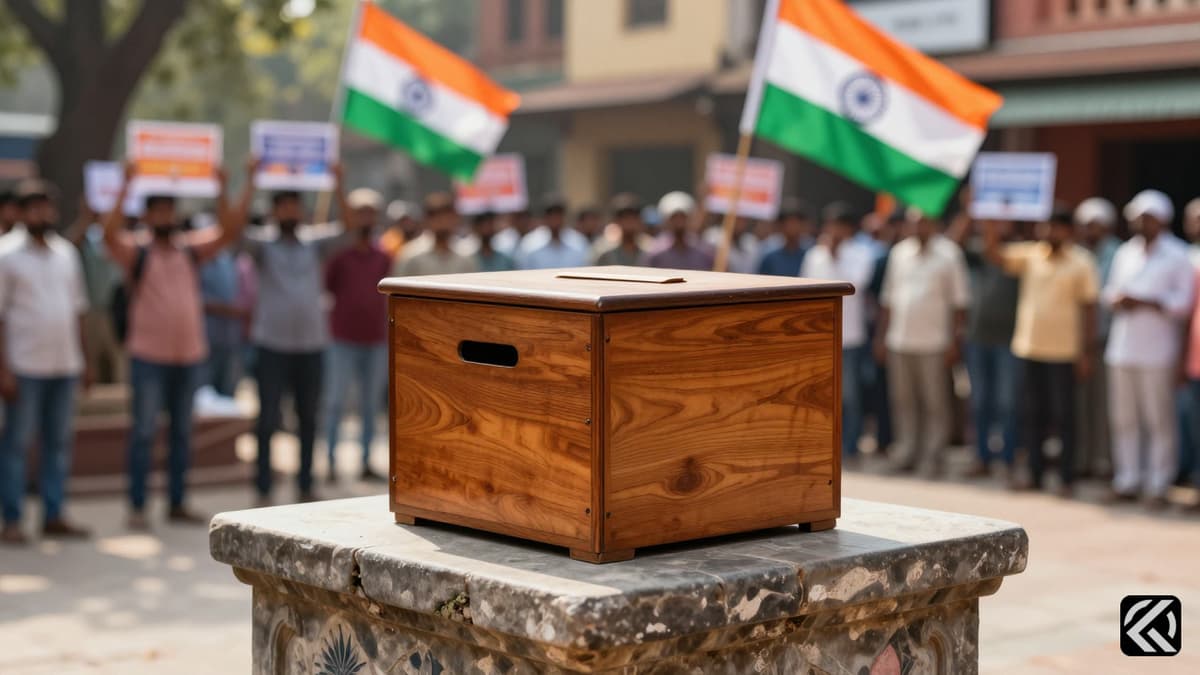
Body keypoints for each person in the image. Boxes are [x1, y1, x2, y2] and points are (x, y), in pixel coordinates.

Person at [104, 164, 245, 529]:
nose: (165, 216)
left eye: (170, 209)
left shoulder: (191, 251)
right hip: (148, 357)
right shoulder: (137, 253)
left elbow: (230, 230)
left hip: (188, 356)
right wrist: (126, 185)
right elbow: (107, 233)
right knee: (144, 434)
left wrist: (222, 188)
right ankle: (138, 507)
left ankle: (177, 502)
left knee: (182, 433)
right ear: (148, 216)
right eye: (158, 210)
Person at [233, 170, 352, 502]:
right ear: (274, 211)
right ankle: (263, 485)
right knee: (268, 418)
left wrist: (338, 183)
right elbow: (233, 232)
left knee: (308, 417)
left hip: (310, 344)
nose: (289, 212)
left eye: (294, 206)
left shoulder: (314, 243)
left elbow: (350, 229)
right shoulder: (262, 245)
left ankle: (304, 483)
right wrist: (248, 183)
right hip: (271, 344)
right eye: (283, 207)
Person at [0, 180, 91, 544]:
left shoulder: (66, 253)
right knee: (17, 444)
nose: (43, 213)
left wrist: (84, 359)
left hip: (64, 364)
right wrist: (3, 368)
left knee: (57, 444)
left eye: (47, 206)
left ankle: (54, 514)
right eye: (34, 207)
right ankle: (13, 519)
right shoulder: (6, 255)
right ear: (21, 213)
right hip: (24, 366)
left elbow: (78, 309)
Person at [982, 208, 1098, 495]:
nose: (1049, 233)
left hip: (1064, 352)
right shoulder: (1032, 254)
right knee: (1031, 414)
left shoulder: (1082, 262)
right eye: (1046, 227)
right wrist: (990, 222)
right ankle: (1034, 474)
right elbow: (995, 255)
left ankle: (1066, 477)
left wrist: (1086, 352)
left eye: (1056, 228)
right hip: (1029, 347)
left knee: (1064, 416)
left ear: (1068, 231)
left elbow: (1090, 310)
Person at [1103, 190, 1195, 508]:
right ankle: (1127, 479)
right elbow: (1110, 291)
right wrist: (1117, 299)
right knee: (1124, 418)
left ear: (1162, 220)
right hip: (1122, 348)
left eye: (1146, 217)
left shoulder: (1178, 255)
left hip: (1158, 350)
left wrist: (1145, 302)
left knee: (1158, 420)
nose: (1140, 223)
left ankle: (1158, 484)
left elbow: (1183, 304)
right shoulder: (1125, 252)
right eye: (1137, 217)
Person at [874, 208, 969, 476]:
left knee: (934, 403)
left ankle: (933, 456)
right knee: (903, 400)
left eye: (923, 223)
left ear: (934, 224)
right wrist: (881, 337)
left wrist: (954, 342)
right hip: (900, 339)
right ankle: (906, 451)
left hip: (935, 342)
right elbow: (888, 299)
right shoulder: (899, 253)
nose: (917, 228)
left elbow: (959, 304)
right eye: (913, 223)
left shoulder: (950, 254)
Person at [324, 186, 391, 483]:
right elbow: (326, 288)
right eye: (360, 213)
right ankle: (329, 461)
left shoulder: (383, 256)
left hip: (375, 339)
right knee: (336, 401)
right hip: (342, 339)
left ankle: (366, 460)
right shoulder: (338, 256)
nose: (366, 219)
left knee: (369, 404)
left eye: (370, 213)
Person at [800, 203, 875, 463]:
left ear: (848, 228)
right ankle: (823, 445)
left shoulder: (861, 253)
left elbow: (855, 285)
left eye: (839, 226)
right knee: (821, 396)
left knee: (850, 396)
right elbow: (805, 290)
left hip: (850, 337)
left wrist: (836, 255)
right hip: (820, 335)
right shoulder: (814, 254)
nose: (834, 230)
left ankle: (850, 446)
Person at [949, 215, 1020, 480]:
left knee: (1007, 403)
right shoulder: (975, 253)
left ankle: (1008, 458)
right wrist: (969, 212)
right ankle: (981, 457)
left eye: (1000, 218)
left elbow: (997, 253)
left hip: (1008, 341)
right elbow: (951, 247)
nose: (996, 223)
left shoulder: (1022, 253)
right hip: (977, 339)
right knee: (979, 402)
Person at [1073, 198, 1121, 479]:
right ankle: (1083, 459)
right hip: (1077, 342)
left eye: (1094, 225)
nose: (1089, 230)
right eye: (1085, 225)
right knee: (1080, 404)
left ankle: (1104, 461)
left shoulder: (1119, 253)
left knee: (1104, 405)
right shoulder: (1077, 254)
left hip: (1108, 340)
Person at [67, 201, 126, 384]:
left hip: (118, 313)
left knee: (121, 369)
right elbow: (69, 246)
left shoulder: (124, 239)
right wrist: (85, 218)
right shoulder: (88, 237)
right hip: (92, 312)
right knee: (93, 369)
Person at [196, 212, 247, 398]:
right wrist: (224, 309)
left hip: (230, 338)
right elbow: (194, 300)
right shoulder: (195, 262)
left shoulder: (227, 259)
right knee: (204, 393)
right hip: (206, 339)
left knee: (227, 392)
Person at [393, 193, 479, 276]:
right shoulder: (410, 255)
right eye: (437, 218)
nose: (443, 223)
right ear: (427, 220)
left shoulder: (466, 255)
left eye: (448, 218)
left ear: (456, 219)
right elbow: (396, 288)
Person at [515, 196, 590, 269]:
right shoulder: (529, 244)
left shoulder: (579, 242)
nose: (555, 220)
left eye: (559, 215)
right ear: (544, 218)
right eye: (551, 215)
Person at [647, 192, 714, 270]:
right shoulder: (655, 252)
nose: (679, 222)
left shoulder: (705, 252)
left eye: (682, 217)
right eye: (674, 217)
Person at [758, 198, 811, 276]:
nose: (793, 227)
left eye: (797, 222)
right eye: (789, 223)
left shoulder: (810, 257)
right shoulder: (770, 258)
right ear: (781, 226)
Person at [594, 193, 646, 266]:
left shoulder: (649, 250)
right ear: (616, 221)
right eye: (625, 218)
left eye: (634, 218)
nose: (629, 223)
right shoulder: (604, 252)